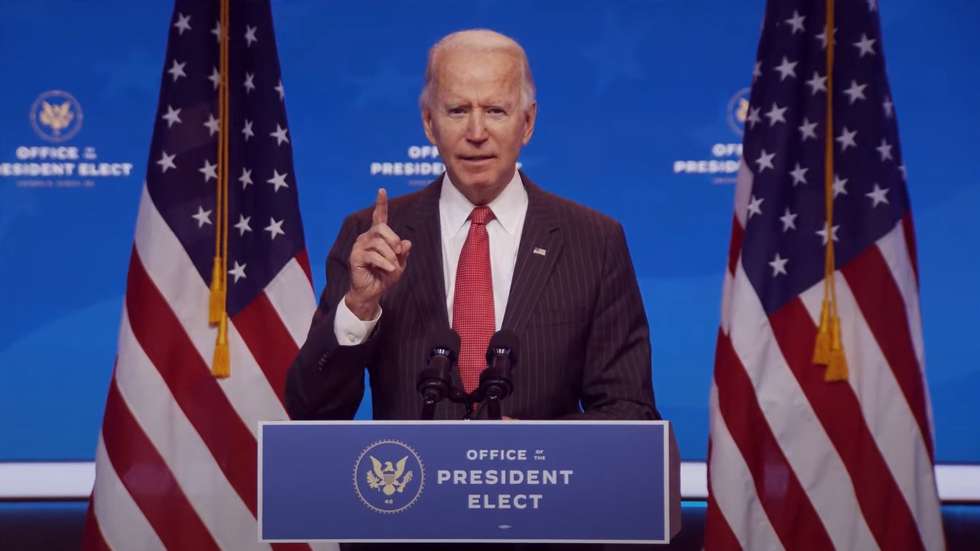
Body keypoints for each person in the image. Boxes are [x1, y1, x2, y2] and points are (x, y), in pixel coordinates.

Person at [286, 28, 658, 423]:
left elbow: (630, 411)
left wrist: (542, 446)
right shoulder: (372, 237)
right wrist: (359, 308)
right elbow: (310, 411)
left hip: (536, 483)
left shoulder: (594, 242)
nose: (476, 133)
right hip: (413, 482)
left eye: (496, 111)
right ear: (429, 124)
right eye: (457, 111)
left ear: (527, 123)